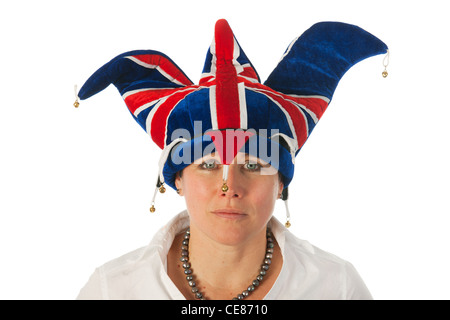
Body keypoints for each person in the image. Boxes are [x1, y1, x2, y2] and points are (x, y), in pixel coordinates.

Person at [75, 19, 388, 300]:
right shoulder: (112, 291)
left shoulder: (336, 289)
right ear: (178, 180)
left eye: (253, 164)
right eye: (208, 165)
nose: (230, 186)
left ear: (280, 183)